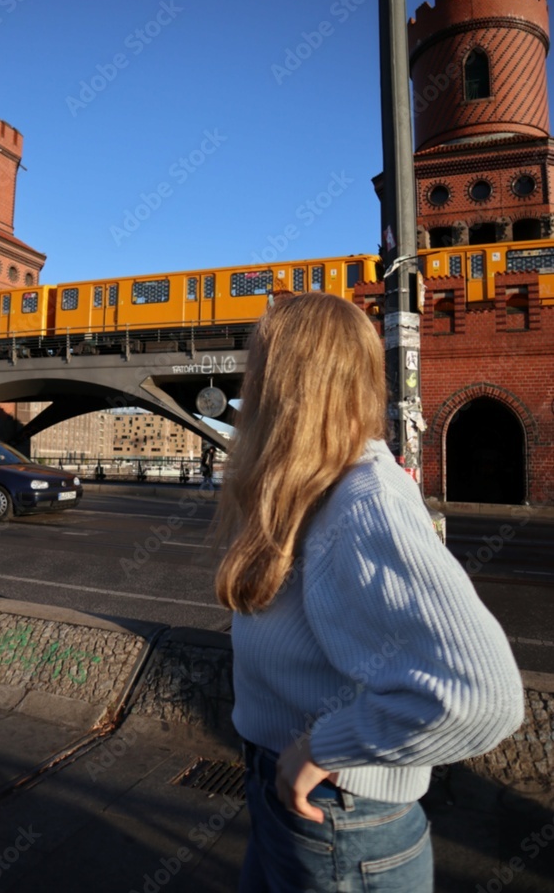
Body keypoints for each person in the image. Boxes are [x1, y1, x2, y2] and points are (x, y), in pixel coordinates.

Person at [213, 292, 524, 893]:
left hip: (338, 824)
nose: (248, 382)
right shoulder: (314, 484)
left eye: (259, 366)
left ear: (289, 382)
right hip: (290, 802)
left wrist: (322, 749)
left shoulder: (366, 502)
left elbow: (483, 694)